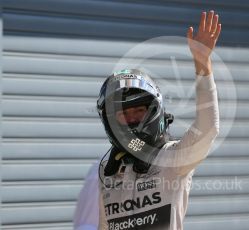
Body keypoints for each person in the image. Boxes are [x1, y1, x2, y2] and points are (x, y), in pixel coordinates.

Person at [76, 10, 221, 230]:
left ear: (154, 111)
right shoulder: (108, 168)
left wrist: (203, 65)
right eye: (124, 114)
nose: (132, 119)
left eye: (139, 110)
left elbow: (208, 129)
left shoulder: (172, 159)